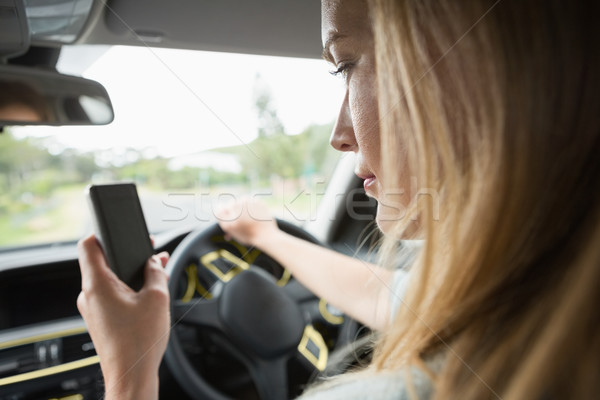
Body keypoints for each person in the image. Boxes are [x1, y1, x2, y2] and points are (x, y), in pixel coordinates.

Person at [77, 0, 600, 399]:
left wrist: (130, 367)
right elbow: (400, 297)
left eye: (344, 65)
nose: (340, 135)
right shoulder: (533, 292)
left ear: (481, 75)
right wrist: (267, 238)